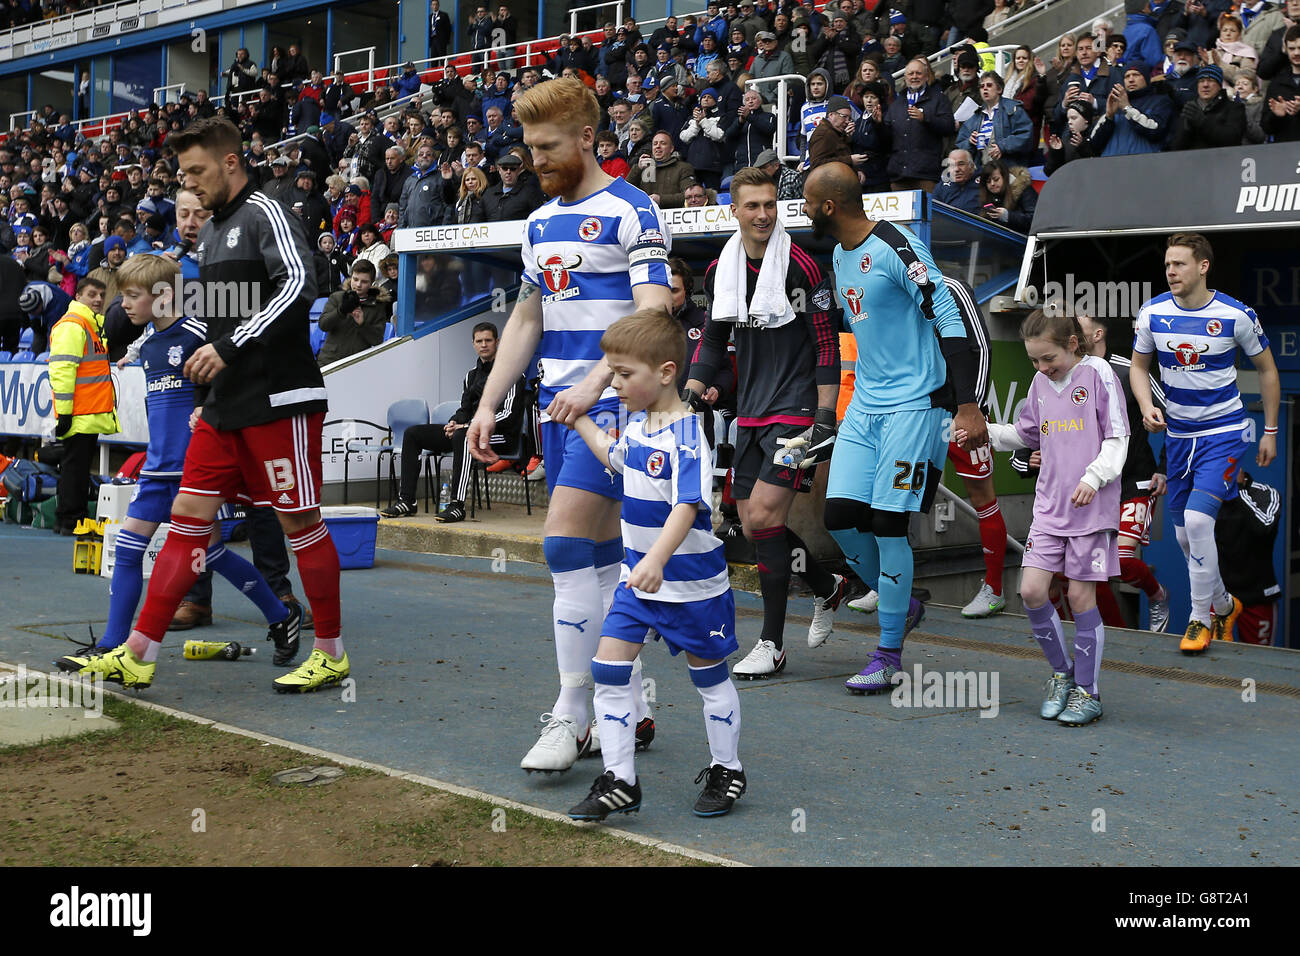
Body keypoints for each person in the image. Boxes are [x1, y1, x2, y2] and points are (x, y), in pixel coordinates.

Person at [64, 116, 349, 695]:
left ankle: (331, 652)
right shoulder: (214, 232)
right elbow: (223, 318)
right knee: (188, 522)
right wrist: (208, 381)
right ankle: (137, 652)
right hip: (226, 404)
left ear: (231, 162)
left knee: (299, 521)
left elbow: (299, 286)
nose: (189, 186)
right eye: (183, 174)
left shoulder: (267, 210)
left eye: (197, 171)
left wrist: (228, 346)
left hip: (278, 397)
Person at [465, 78, 672, 774]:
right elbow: (528, 316)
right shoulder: (537, 221)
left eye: (547, 146)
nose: (535, 159)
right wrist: (489, 403)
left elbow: (653, 316)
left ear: (587, 137)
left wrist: (593, 384)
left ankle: (574, 711)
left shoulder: (633, 210)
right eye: (528, 147)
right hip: (560, 410)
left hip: (611, 409)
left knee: (560, 548)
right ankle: (632, 695)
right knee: (605, 558)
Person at [57, 255, 299, 663]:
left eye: (133, 296)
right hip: (157, 469)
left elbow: (239, 378)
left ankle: (279, 614)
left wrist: (209, 405)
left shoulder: (197, 334)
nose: (124, 305)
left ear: (165, 295)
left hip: (196, 470)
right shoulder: (148, 344)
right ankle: (111, 645)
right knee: (129, 550)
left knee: (213, 554)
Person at [802, 162, 986, 693]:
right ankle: (900, 603)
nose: (805, 211)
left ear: (830, 206)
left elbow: (950, 319)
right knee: (839, 516)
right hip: (866, 408)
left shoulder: (898, 246)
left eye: (810, 203)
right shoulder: (839, 253)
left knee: (888, 524)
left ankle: (888, 654)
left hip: (916, 408)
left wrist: (967, 404)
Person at [562, 311, 745, 822]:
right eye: (612, 374)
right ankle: (621, 781)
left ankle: (727, 768)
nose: (613, 384)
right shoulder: (639, 427)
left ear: (665, 373)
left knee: (708, 679)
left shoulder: (686, 435)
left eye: (624, 375)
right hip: (637, 581)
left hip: (690, 586)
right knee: (609, 671)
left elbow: (688, 506)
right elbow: (613, 458)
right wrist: (577, 417)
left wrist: (658, 560)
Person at [684, 167, 844, 679]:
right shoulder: (719, 271)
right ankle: (828, 586)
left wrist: (824, 416)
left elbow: (826, 345)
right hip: (751, 410)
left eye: (770, 204)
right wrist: (690, 390)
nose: (762, 214)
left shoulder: (804, 267)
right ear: (734, 211)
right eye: (751, 206)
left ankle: (772, 643)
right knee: (753, 525)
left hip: (795, 407)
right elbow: (711, 340)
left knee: (770, 519)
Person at [969, 309, 1129, 727]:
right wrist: (983, 431)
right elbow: (1026, 435)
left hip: (1091, 510)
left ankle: (1088, 693)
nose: (1041, 368)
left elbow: (1117, 437)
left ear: (1072, 345)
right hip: (1049, 509)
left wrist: (1094, 478)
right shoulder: (1040, 383)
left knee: (1080, 599)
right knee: (1032, 592)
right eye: (1034, 361)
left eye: (1048, 359)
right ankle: (1062, 674)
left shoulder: (1098, 374)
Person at [1130, 232, 1279, 654]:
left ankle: (1200, 619)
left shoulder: (1236, 314)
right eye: (1167, 265)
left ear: (1202, 266)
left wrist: (1269, 431)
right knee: (1182, 537)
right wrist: (1145, 405)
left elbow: (1267, 370)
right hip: (1178, 437)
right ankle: (1224, 603)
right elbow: (1140, 369)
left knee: (1198, 523)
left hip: (1224, 434)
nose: (1171, 272)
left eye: (1178, 264)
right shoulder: (1152, 312)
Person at [1076, 312, 1172, 632]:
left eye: (1080, 329)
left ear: (1099, 333)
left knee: (1119, 561)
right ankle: (1118, 635)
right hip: (1095, 483)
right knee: (1091, 568)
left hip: (1136, 480)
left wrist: (1164, 468)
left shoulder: (1131, 370)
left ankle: (1157, 594)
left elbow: (1175, 419)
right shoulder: (1072, 373)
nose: (1072, 334)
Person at [380, 322, 525, 522]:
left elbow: (509, 415)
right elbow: (464, 409)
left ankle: (457, 505)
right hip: (466, 432)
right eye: (479, 341)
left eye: (488, 340)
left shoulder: (512, 373)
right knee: (413, 433)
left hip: (502, 436)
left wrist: (467, 427)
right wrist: (454, 422)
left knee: (464, 436)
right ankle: (407, 500)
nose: (484, 345)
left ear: (497, 342)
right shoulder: (470, 376)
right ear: (473, 344)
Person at [47, 276, 115, 536]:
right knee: (75, 466)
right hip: (79, 412)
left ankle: (69, 517)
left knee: (76, 465)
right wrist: (64, 413)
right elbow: (63, 370)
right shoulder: (74, 325)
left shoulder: (89, 325)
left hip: (87, 410)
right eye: (91, 294)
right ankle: (70, 518)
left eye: (101, 294)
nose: (98, 299)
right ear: (78, 297)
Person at [1214, 470, 1282, 645]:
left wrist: (1237, 490)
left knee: (1259, 663)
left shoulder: (1265, 492)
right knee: (1212, 661)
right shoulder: (1210, 495)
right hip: (1220, 595)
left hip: (1257, 596)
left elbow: (1264, 528)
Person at [886, 58, 956, 191]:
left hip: (926, 175)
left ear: (926, 76)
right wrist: (878, 124)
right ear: (905, 77)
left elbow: (949, 127)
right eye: (911, 74)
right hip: (899, 175)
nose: (914, 77)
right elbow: (887, 137)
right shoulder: (897, 104)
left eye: (918, 73)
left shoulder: (939, 99)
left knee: (925, 211)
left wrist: (925, 118)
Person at [316, 259, 393, 366]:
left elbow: (377, 340)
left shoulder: (377, 306)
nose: (358, 284)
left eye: (364, 281)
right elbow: (323, 325)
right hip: (329, 361)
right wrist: (341, 311)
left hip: (357, 364)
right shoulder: (337, 297)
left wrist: (362, 324)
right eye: (355, 279)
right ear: (350, 277)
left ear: (372, 283)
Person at [933, 148, 982, 212]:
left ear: (971, 166)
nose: (956, 169)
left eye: (961, 164)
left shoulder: (984, 181)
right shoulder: (942, 186)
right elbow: (934, 211)